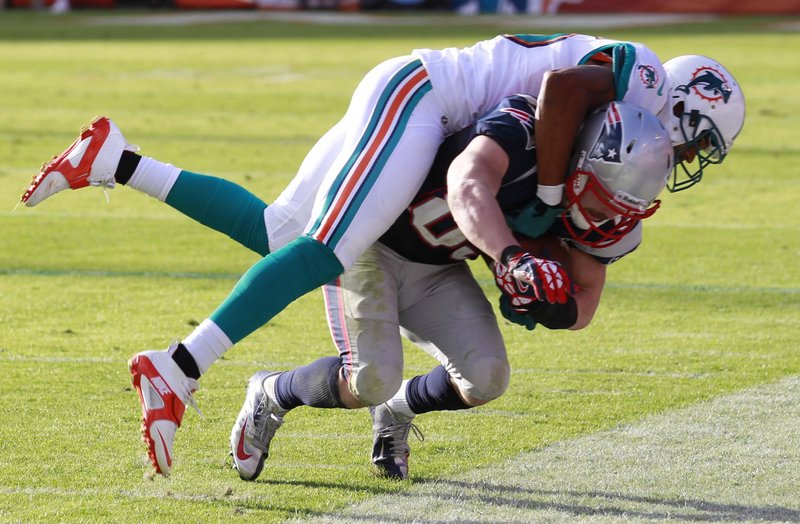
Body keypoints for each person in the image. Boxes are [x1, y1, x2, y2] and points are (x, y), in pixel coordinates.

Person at [19, 31, 744, 476]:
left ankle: (117, 161)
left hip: (436, 188)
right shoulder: (620, 83)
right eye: (699, 138)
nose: (691, 157)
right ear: (680, 102)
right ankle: (181, 367)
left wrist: (540, 290)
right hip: (425, 94)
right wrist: (535, 224)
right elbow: (540, 108)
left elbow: (579, 295)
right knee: (328, 249)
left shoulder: (613, 158)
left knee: (280, 235)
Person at [229, 98, 675, 481]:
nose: (608, 218)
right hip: (368, 242)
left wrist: (548, 303)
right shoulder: (520, 130)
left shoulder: (587, 201)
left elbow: (586, 302)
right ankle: (271, 392)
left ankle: (398, 408)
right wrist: (513, 259)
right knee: (369, 379)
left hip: (436, 268)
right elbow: (467, 187)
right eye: (603, 199)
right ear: (582, 165)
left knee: (487, 378)